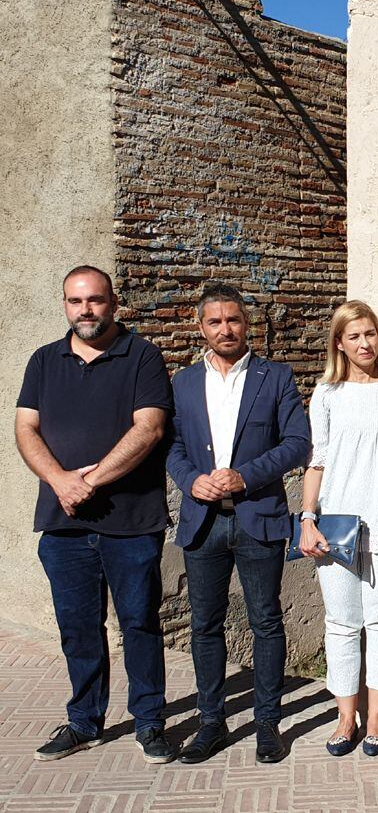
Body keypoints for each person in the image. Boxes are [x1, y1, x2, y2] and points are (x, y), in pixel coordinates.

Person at [15, 266, 177, 764]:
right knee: (78, 628)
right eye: (75, 301)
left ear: (114, 302)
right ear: (65, 305)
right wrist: (61, 482)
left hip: (130, 523)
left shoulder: (143, 356)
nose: (85, 310)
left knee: (139, 625)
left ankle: (150, 723)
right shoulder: (44, 360)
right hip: (63, 524)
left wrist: (87, 480)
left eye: (95, 300)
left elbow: (149, 429)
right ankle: (84, 721)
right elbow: (25, 429)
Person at [167, 283, 310, 765]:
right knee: (205, 626)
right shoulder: (183, 383)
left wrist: (244, 476)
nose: (225, 329)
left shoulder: (276, 377)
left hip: (258, 519)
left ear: (245, 323)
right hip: (203, 522)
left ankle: (267, 723)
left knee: (265, 621)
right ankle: (212, 722)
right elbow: (172, 447)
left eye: (233, 320)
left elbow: (296, 443)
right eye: (215, 321)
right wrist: (191, 482)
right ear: (200, 326)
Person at [297, 300, 378, 757]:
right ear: (339, 344)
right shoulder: (326, 394)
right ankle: (346, 718)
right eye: (354, 336)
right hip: (336, 525)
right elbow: (316, 460)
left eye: (370, 333)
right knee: (341, 623)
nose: (364, 343)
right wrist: (307, 518)